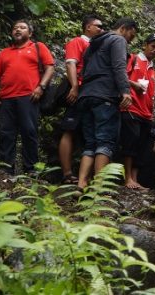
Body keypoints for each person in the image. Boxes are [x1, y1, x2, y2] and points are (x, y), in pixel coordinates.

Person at [0, 19, 55, 175]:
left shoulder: (38, 47)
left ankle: (31, 169)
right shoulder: (4, 53)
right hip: (6, 99)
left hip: (29, 97)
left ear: (30, 33)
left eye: (22, 28)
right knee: (6, 133)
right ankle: (5, 170)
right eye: (15, 28)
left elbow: (49, 68)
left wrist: (41, 87)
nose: (18, 30)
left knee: (29, 132)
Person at [75, 18, 136, 188]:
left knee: (90, 143)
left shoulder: (92, 45)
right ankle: (98, 187)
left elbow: (85, 70)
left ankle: (81, 184)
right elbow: (119, 66)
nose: (132, 39)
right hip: (105, 95)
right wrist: (125, 91)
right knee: (105, 141)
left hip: (86, 95)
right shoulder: (118, 40)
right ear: (124, 28)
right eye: (132, 34)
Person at [58, 14, 110, 183]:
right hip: (79, 90)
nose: (101, 29)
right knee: (70, 129)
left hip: (92, 93)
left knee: (89, 134)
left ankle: (87, 177)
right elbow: (71, 64)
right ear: (88, 27)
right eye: (98, 26)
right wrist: (74, 87)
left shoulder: (96, 46)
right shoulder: (78, 42)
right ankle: (67, 173)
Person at [122, 32, 155, 188]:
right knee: (130, 144)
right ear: (145, 45)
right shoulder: (133, 59)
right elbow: (120, 76)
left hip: (146, 114)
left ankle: (135, 179)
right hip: (131, 108)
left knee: (142, 147)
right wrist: (134, 85)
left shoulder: (153, 69)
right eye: (153, 46)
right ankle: (127, 179)